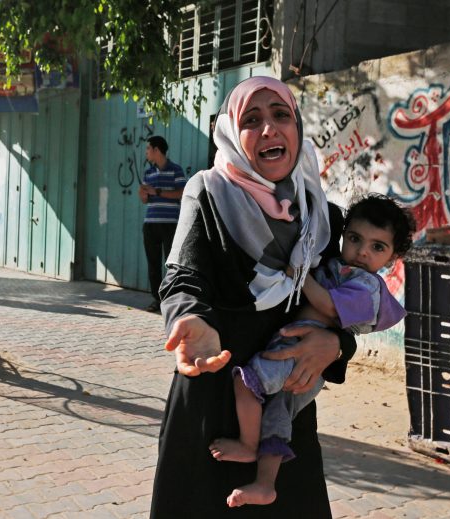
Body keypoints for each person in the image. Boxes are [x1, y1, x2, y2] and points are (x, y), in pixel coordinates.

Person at [151, 76, 357, 518]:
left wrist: (337, 346)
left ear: (297, 127)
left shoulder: (324, 217)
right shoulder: (208, 192)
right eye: (252, 119)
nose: (269, 129)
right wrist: (190, 321)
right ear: (231, 132)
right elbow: (182, 277)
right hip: (215, 398)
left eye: (280, 115)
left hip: (283, 403)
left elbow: (351, 304)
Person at [209, 193, 416, 507]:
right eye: (355, 238)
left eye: (377, 247)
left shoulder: (368, 286)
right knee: (277, 419)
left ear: (391, 259)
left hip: (299, 354)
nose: (362, 252)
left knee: (245, 382)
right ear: (343, 235)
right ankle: (265, 484)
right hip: (297, 356)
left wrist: (301, 276)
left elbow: (328, 306)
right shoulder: (338, 264)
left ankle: (246, 444)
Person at [138, 136, 186, 313]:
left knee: (171, 264)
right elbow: (145, 200)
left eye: (148, 149)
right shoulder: (148, 173)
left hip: (170, 224)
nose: (146, 153)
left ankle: (172, 300)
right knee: (153, 264)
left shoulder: (176, 170)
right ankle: (157, 300)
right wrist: (142, 193)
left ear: (157, 150)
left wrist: (157, 191)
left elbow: (181, 193)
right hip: (150, 224)